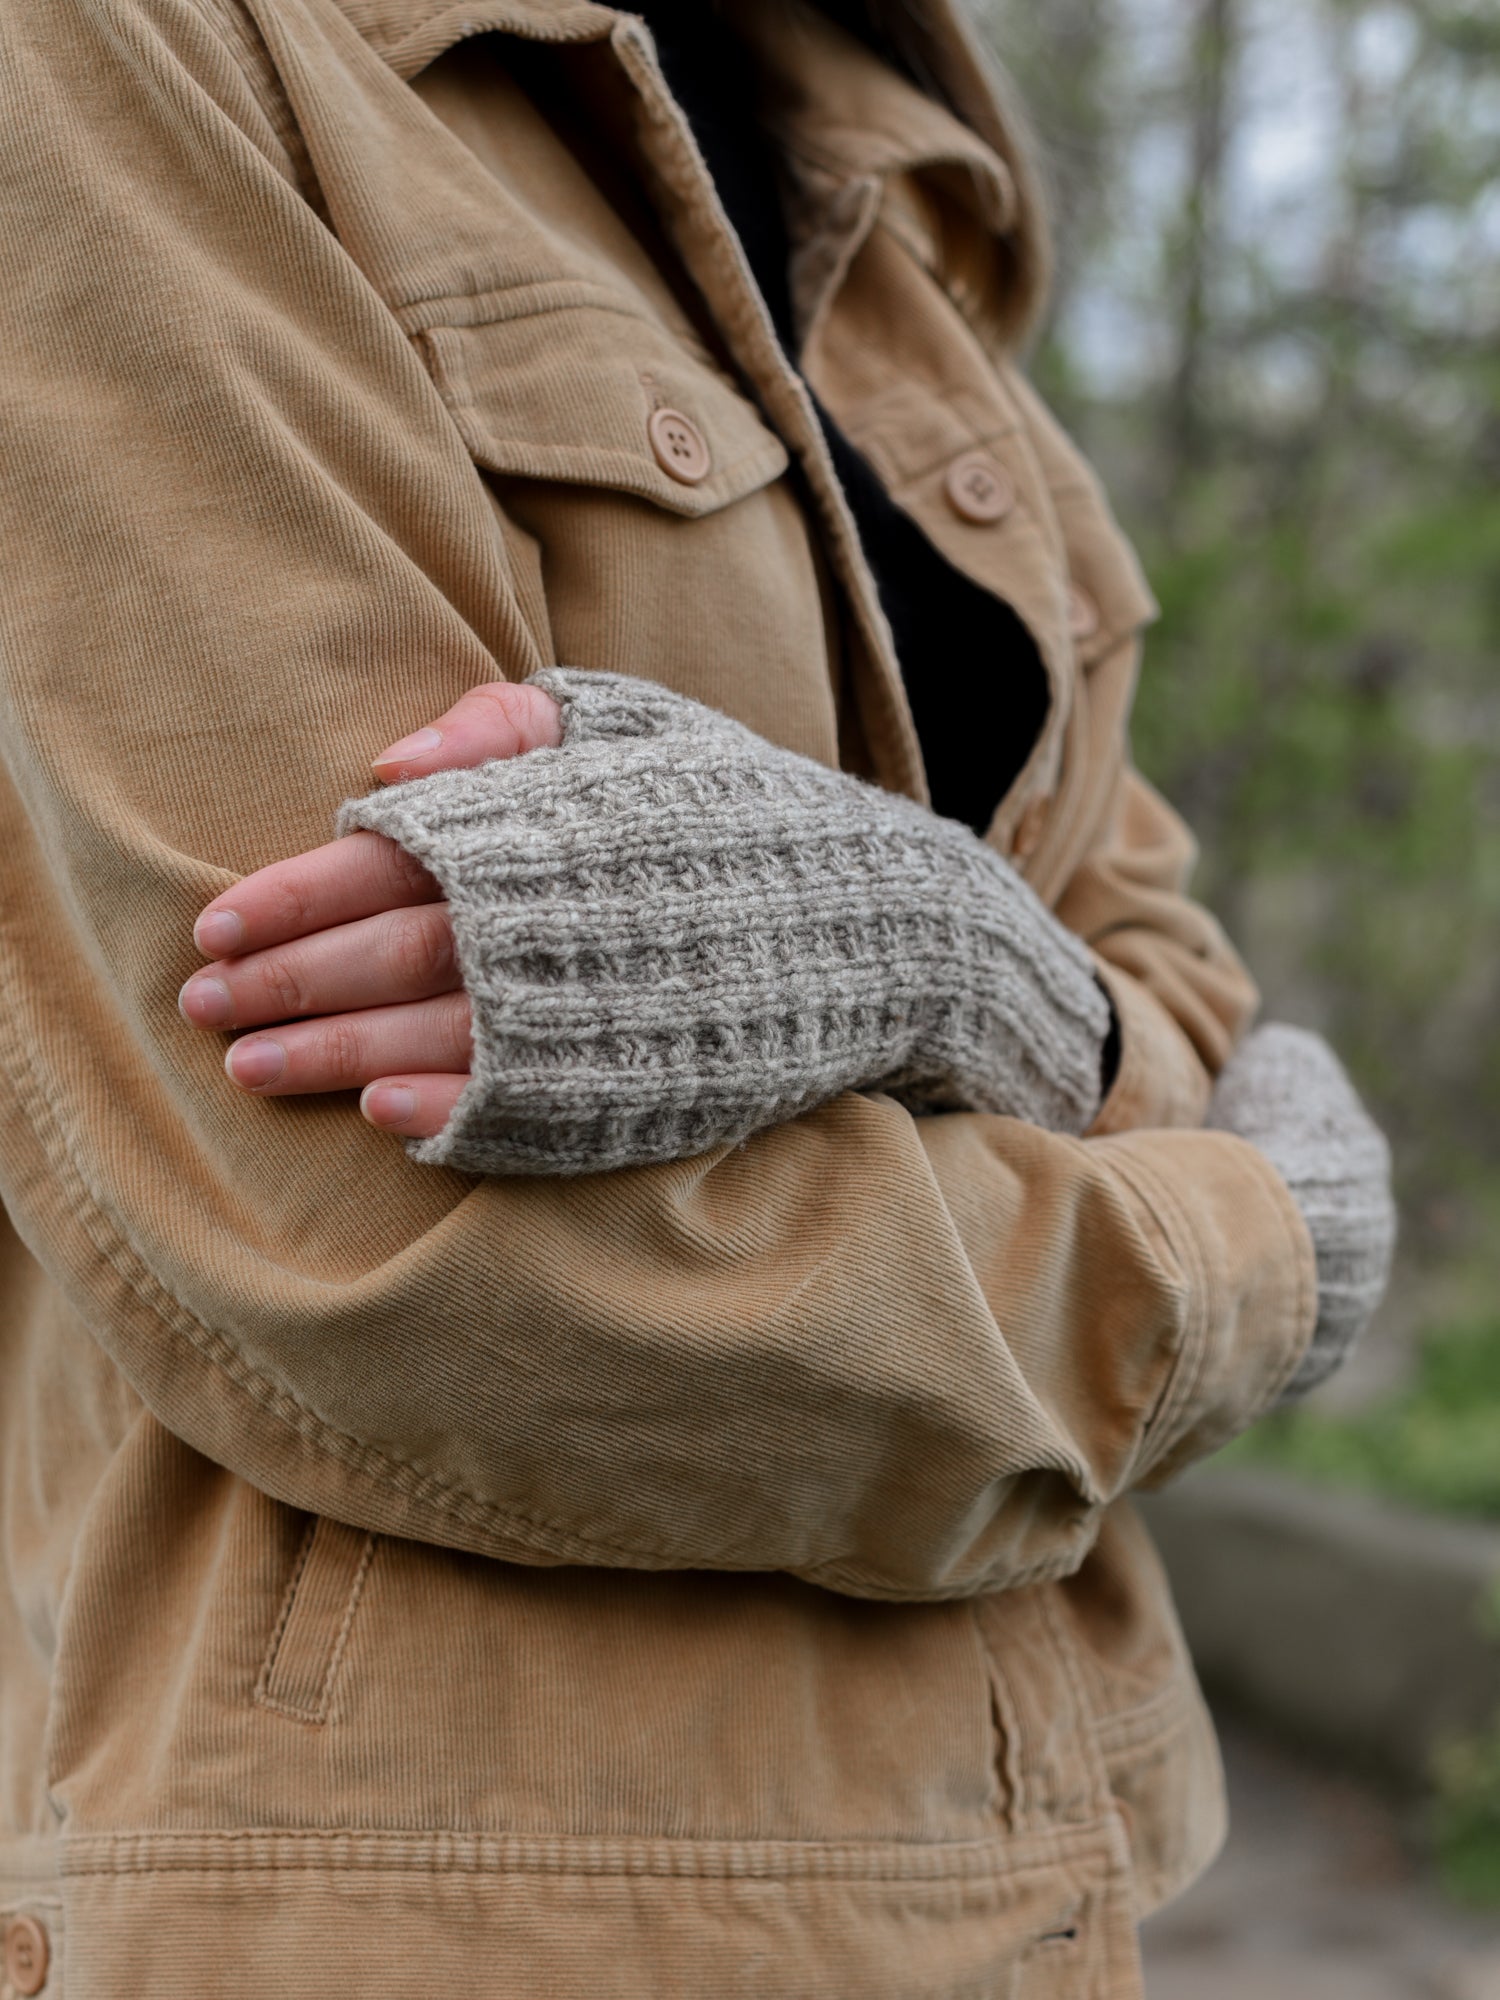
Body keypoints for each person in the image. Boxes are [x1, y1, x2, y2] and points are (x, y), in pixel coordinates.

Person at [0, 0, 1393, 1994]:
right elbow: (394, 1243)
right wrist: (1244, 1254)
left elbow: (1165, 975)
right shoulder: (127, 46)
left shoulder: (863, 140)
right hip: (439, 1924)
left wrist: (948, 955)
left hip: (1027, 1877)